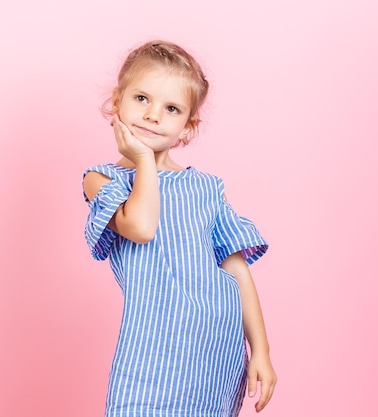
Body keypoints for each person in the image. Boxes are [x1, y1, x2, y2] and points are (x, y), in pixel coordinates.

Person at [82, 40, 277, 416]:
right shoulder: (104, 180)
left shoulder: (206, 189)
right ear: (117, 100)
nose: (154, 115)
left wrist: (262, 353)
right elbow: (141, 227)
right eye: (142, 99)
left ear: (187, 127)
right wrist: (142, 159)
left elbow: (237, 270)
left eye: (171, 108)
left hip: (216, 349)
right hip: (153, 348)